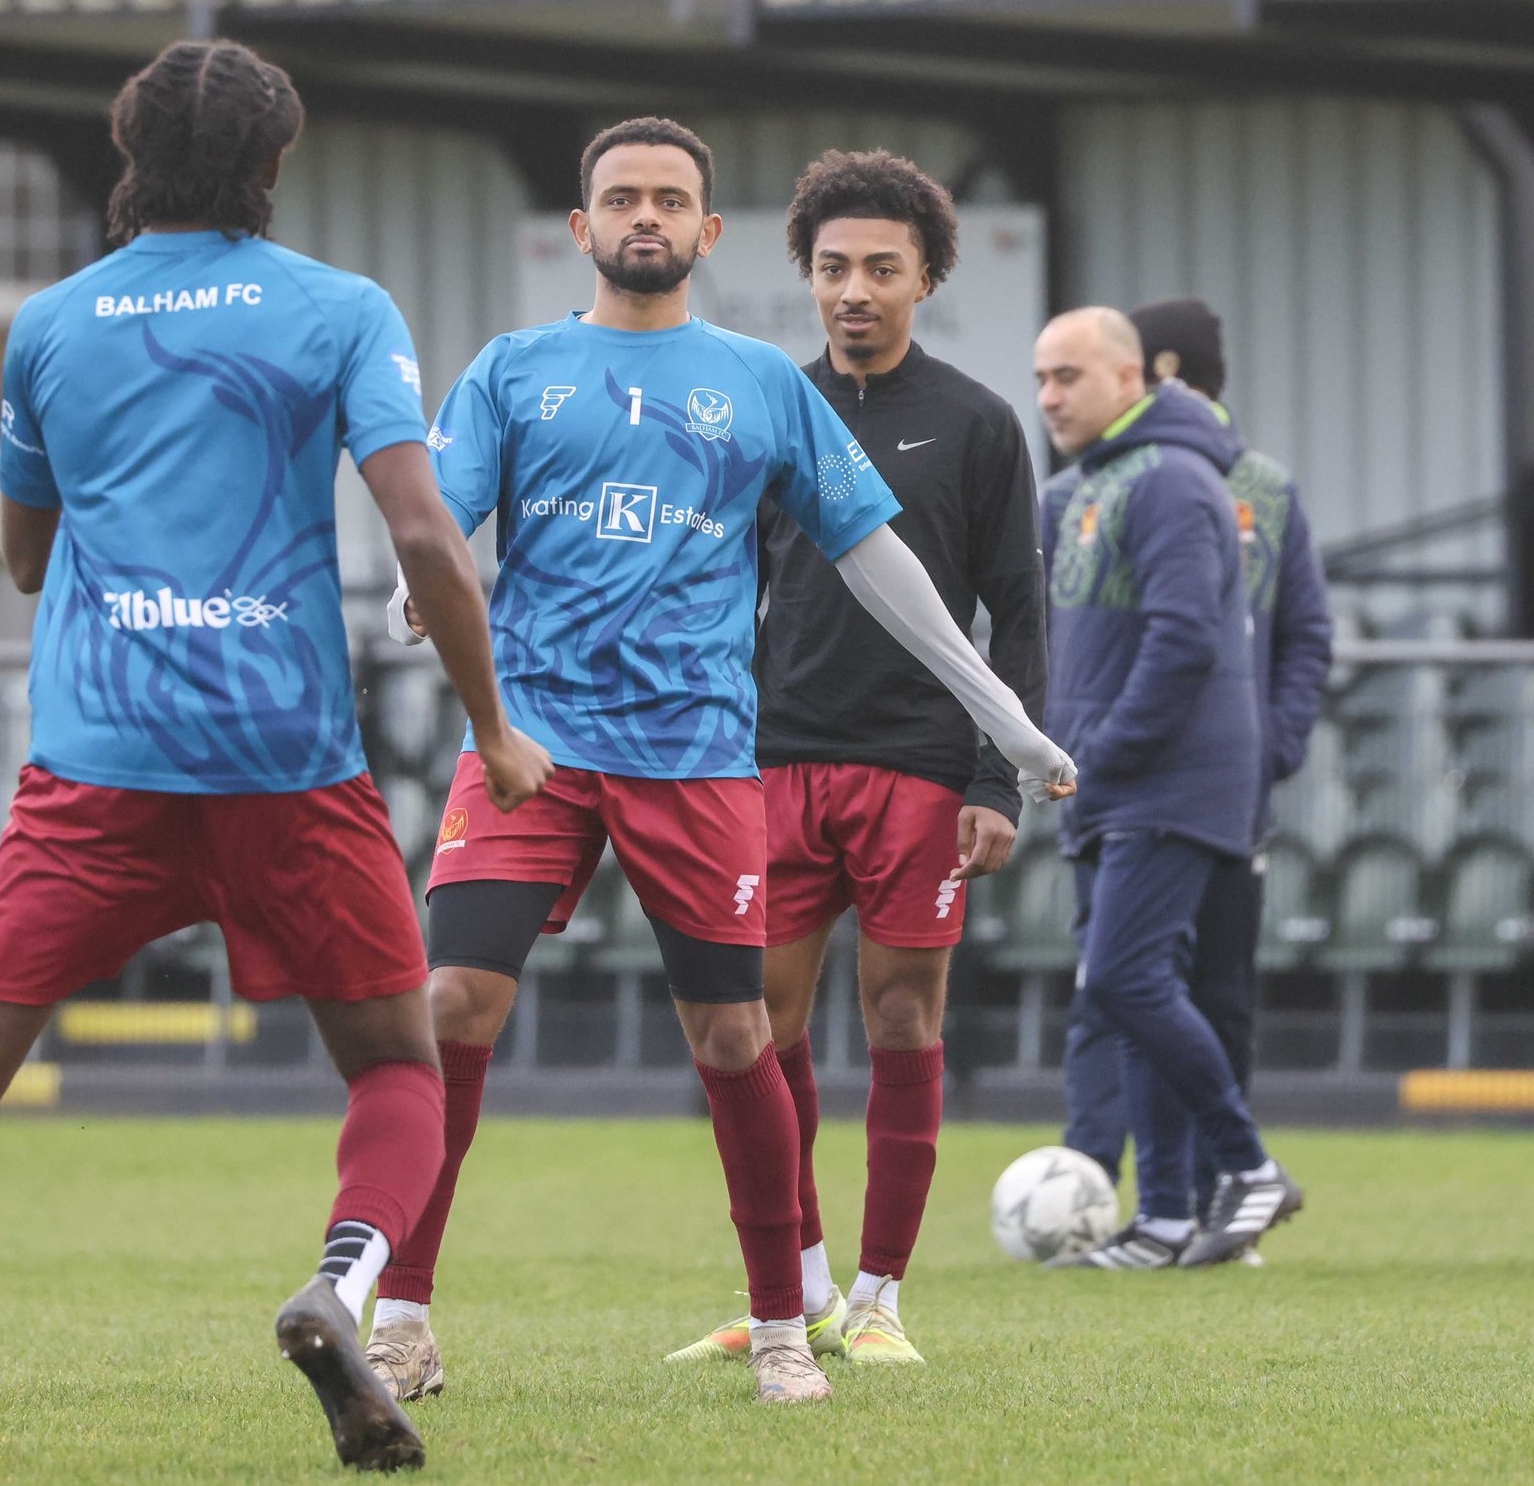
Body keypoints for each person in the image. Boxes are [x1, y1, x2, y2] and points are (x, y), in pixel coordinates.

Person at [0, 39, 550, 1474]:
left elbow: (28, 559)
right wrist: (492, 727)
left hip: (97, 767)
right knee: (397, 1066)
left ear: (127, 152)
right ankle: (341, 1285)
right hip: (284, 764)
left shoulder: (49, 324)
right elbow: (422, 534)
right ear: (275, 166)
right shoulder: (340, 309)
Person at [367, 119, 1074, 1406]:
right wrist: (432, 590)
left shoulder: (759, 382)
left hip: (695, 755)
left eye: (672, 198)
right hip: (533, 742)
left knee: (736, 1030)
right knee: (452, 1003)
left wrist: (1006, 726)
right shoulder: (514, 369)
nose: (646, 215)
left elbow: (881, 563)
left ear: (708, 233)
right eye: (621, 197)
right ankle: (401, 1319)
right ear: (580, 229)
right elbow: (438, 517)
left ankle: (785, 1324)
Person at [661, 149, 1047, 1368]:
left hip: (922, 769)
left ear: (926, 277)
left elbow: (1020, 615)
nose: (855, 290)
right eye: (833, 268)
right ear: (805, 278)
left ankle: (883, 1296)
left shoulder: (979, 424)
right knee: (757, 1026)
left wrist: (998, 778)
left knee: (898, 1017)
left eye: (882, 267)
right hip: (769, 765)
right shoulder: (766, 411)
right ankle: (801, 1287)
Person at [1055, 298, 1331, 1255]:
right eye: (1042, 377)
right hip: (1119, 780)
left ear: (1143, 374)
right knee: (1131, 988)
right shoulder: (1091, 485)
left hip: (1167, 779)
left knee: (1143, 980)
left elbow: (1193, 638)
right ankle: (1166, 1211)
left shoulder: (1176, 481)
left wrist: (1110, 749)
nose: (1047, 395)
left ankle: (1246, 1171)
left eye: (1068, 375)